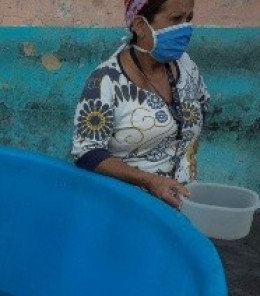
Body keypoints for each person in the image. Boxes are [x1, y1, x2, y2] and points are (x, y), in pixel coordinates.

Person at [71, 0, 208, 208]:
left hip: (181, 203)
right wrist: (151, 181)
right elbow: (87, 153)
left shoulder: (186, 66)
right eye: (175, 19)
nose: (186, 28)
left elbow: (202, 106)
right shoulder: (106, 80)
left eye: (189, 18)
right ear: (140, 26)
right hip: (127, 207)